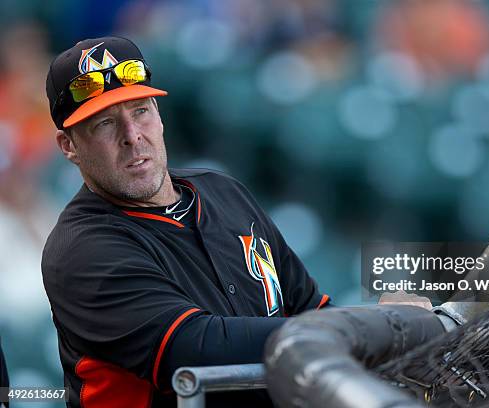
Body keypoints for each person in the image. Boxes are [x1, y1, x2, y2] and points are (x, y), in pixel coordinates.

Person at [42, 37, 332, 408]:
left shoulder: (225, 192)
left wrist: (391, 321)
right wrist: (360, 327)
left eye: (140, 111)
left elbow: (311, 307)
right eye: (104, 124)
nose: (132, 136)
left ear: (159, 116)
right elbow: (196, 348)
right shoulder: (81, 251)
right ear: (69, 146)